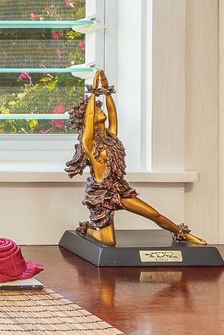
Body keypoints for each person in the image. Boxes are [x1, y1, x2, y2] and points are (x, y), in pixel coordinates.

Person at [67, 71, 205, 245]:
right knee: (109, 242)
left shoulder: (111, 137)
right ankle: (89, 230)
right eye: (96, 109)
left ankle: (182, 233)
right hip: (101, 196)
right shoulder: (90, 144)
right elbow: (88, 118)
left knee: (154, 214)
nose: (100, 111)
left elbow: (113, 115)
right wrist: (93, 91)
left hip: (119, 189)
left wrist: (107, 91)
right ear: (90, 119)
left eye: (99, 107)